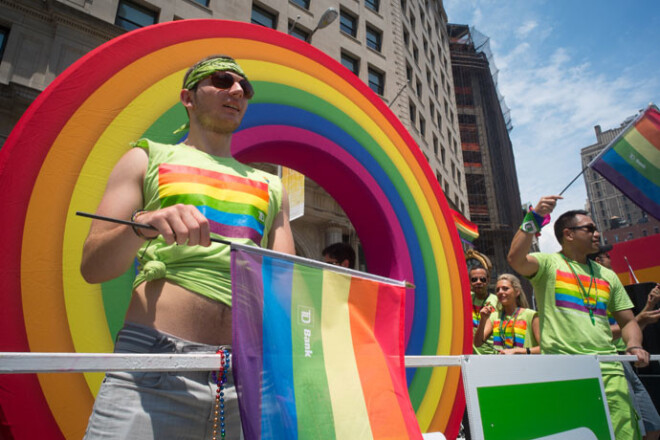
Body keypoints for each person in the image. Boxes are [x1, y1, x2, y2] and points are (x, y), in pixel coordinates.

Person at [80, 55, 295, 439]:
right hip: (152, 369)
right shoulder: (145, 157)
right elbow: (93, 266)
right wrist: (141, 226)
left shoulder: (272, 186)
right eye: (222, 80)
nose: (236, 92)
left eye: (244, 88)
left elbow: (286, 285)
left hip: (246, 379)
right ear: (188, 97)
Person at [508, 195, 649, 439]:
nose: (596, 233)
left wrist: (634, 345)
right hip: (564, 370)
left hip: (610, 371)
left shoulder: (608, 275)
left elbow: (628, 321)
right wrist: (535, 218)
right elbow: (515, 259)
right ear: (568, 234)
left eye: (596, 229)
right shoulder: (548, 264)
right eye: (589, 228)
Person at [591, 247, 660, 440]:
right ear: (598, 260)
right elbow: (606, 332)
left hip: (627, 360)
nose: (611, 260)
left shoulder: (612, 287)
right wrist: (641, 317)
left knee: (653, 425)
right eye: (607, 257)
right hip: (612, 361)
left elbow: (631, 325)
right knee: (633, 427)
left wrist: (649, 307)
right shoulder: (592, 292)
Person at [474, 273, 540, 355]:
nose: (500, 292)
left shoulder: (531, 315)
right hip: (501, 366)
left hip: (525, 366)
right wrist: (483, 319)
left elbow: (543, 348)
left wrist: (517, 351)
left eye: (505, 289)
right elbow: (478, 343)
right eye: (497, 290)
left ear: (517, 292)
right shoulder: (494, 316)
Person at [469, 266, 499, 354]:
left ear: (488, 280)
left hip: (492, 354)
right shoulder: (466, 298)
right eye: (474, 279)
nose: (478, 282)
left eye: (482, 279)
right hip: (471, 356)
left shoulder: (497, 301)